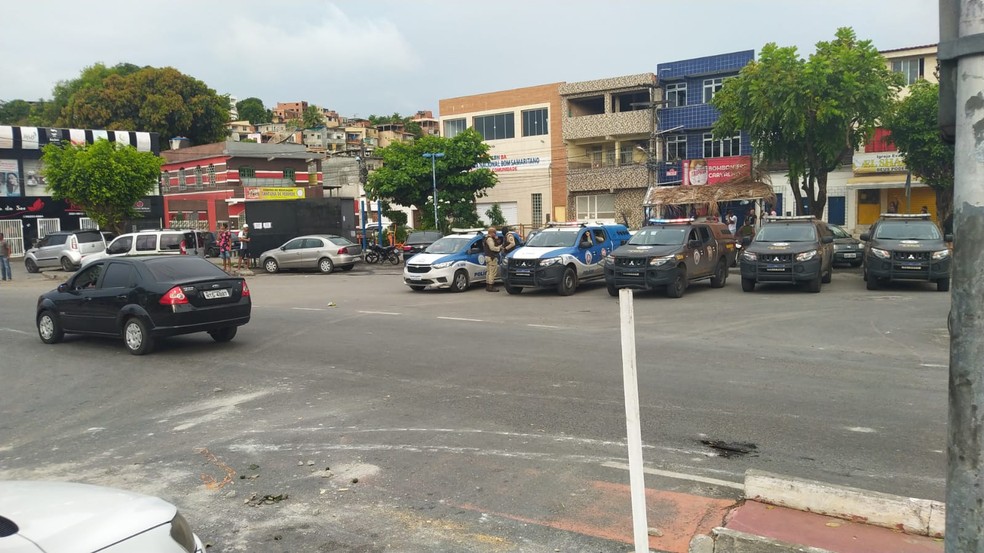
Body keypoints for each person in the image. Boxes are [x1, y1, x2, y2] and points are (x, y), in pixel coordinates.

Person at [483, 226, 502, 292]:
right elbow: (492, 248)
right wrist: (499, 248)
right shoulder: (490, 239)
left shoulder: (486, 238)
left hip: (487, 257)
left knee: (489, 272)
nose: (495, 234)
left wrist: (496, 240)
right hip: (491, 257)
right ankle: (491, 286)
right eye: (494, 233)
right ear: (492, 233)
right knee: (492, 272)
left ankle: (488, 285)